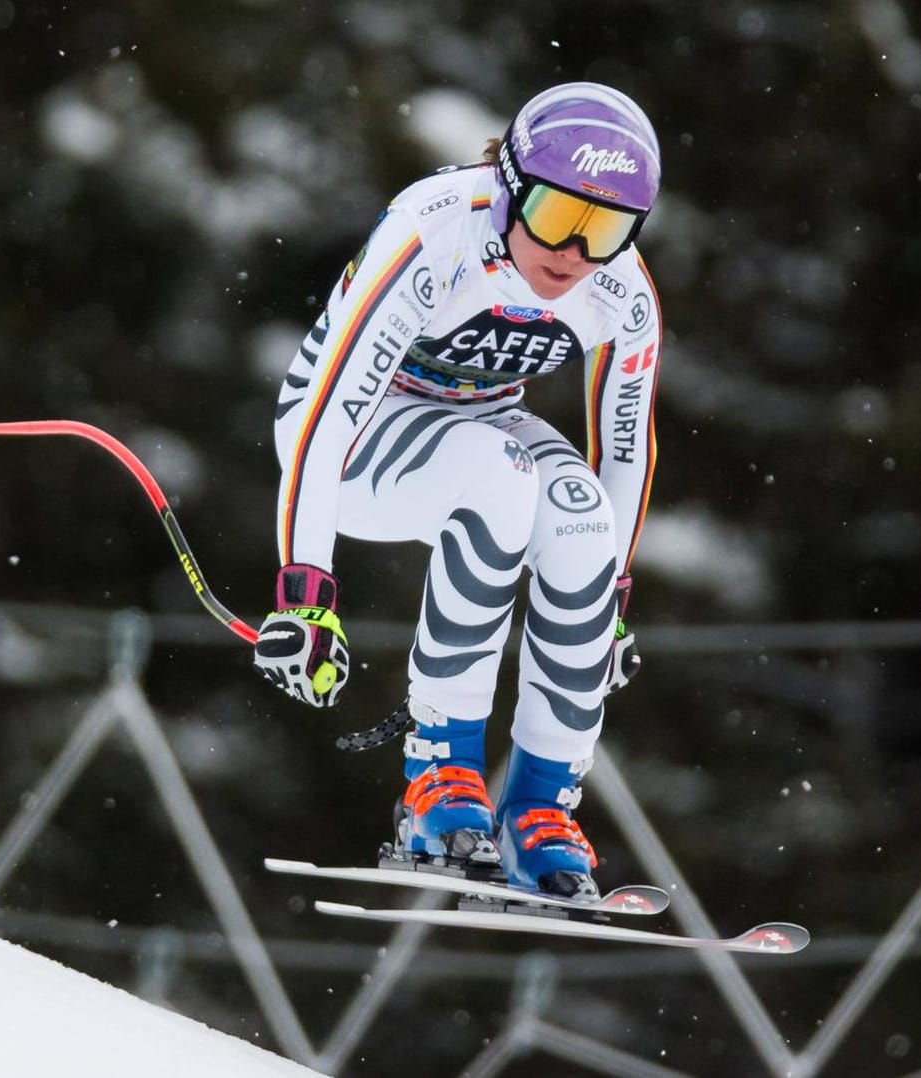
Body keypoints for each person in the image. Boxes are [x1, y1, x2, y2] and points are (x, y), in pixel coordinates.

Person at [253, 82, 661, 901]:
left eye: (605, 229)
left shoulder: (620, 295)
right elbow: (325, 417)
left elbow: (625, 452)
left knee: (581, 519)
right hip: (355, 437)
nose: (572, 253)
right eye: (554, 217)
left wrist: (607, 606)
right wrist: (305, 594)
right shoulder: (433, 233)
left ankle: (540, 808)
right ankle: (437, 779)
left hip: (479, 428)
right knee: (497, 476)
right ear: (509, 185)